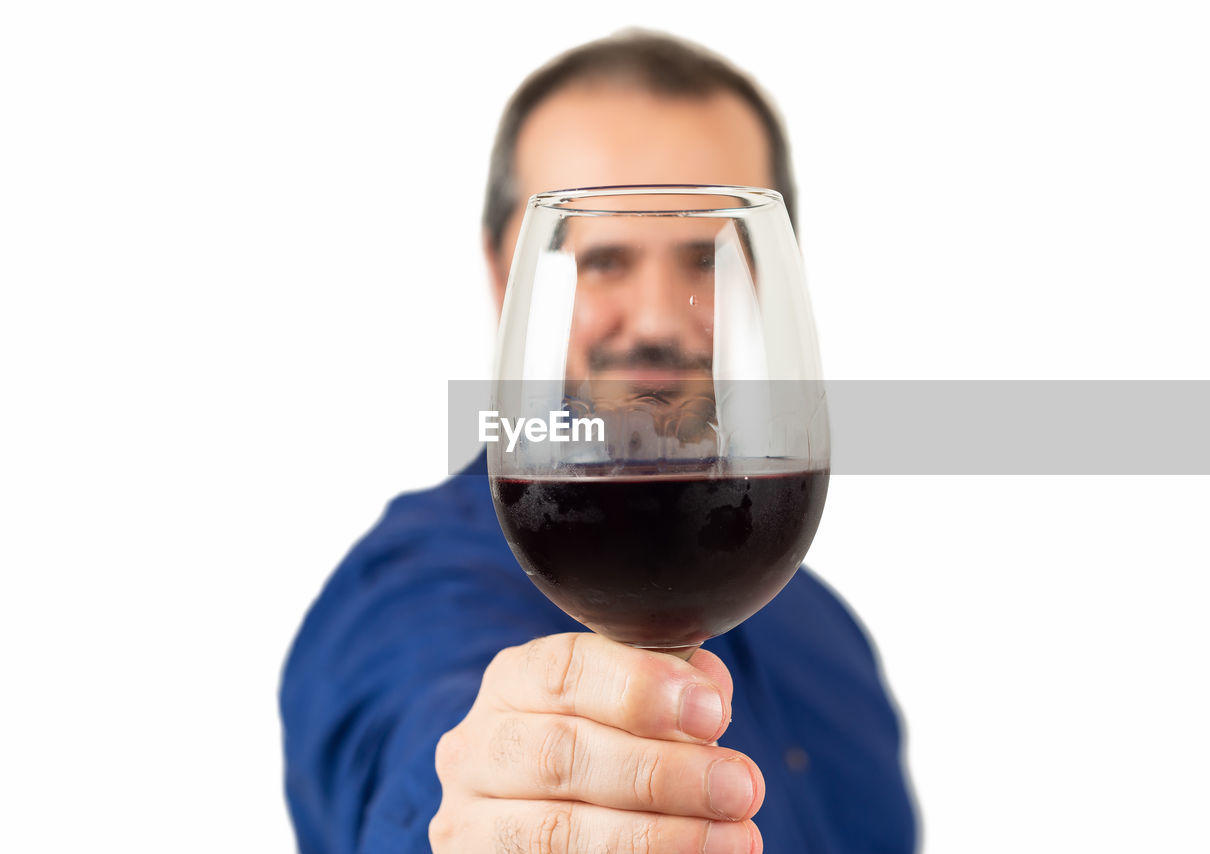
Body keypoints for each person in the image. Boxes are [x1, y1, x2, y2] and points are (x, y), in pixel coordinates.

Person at [280, 31, 917, 854]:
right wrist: (483, 806)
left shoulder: (827, 640)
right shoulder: (407, 587)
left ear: (767, 279)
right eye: (605, 259)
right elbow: (417, 738)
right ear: (504, 274)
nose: (656, 319)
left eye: (703, 257)